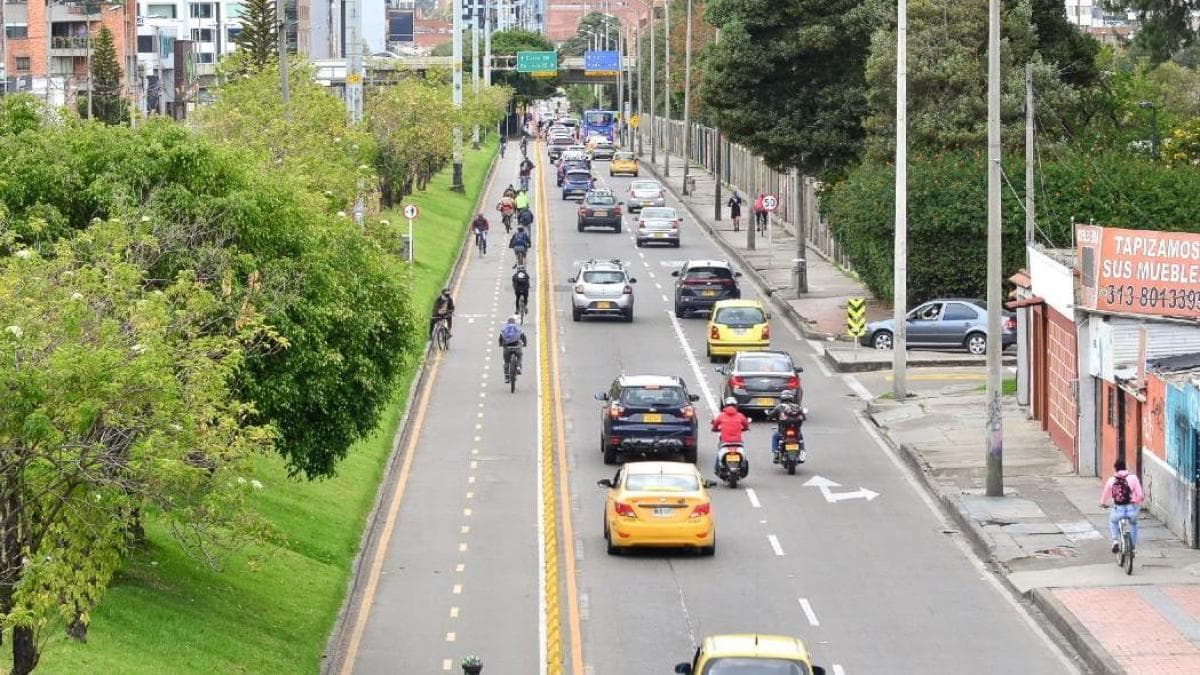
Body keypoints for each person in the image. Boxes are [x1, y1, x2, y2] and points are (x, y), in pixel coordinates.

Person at [1100, 458, 1144, 553]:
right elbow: (1140, 495)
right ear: (1125, 467)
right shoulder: (1133, 478)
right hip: (1131, 509)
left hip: (1118, 510)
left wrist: (1103, 503)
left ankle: (1115, 541)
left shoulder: (1111, 480)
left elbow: (1105, 495)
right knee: (1133, 524)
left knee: (1113, 521)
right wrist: (1136, 501)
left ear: (1115, 469)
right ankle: (1132, 547)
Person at [710, 397, 750, 472]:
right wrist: (745, 428)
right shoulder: (740, 415)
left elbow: (715, 425)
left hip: (725, 442)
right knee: (744, 456)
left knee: (719, 454)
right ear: (736, 406)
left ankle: (717, 469)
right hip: (737, 442)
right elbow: (746, 425)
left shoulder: (721, 416)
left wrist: (714, 429)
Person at [766, 391, 806, 463]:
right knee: (800, 437)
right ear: (792, 398)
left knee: (775, 436)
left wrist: (770, 417)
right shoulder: (797, 407)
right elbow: (804, 417)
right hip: (796, 431)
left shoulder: (779, 407)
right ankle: (802, 452)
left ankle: (776, 453)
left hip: (783, 432)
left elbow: (769, 416)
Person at [497, 315, 527, 382]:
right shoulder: (518, 328)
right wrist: (524, 344)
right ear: (514, 322)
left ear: (507, 322)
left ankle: (507, 377)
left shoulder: (504, 329)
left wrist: (500, 344)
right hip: (516, 347)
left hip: (507, 348)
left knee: (506, 362)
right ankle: (518, 367)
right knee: (519, 355)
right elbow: (523, 337)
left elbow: (500, 339)